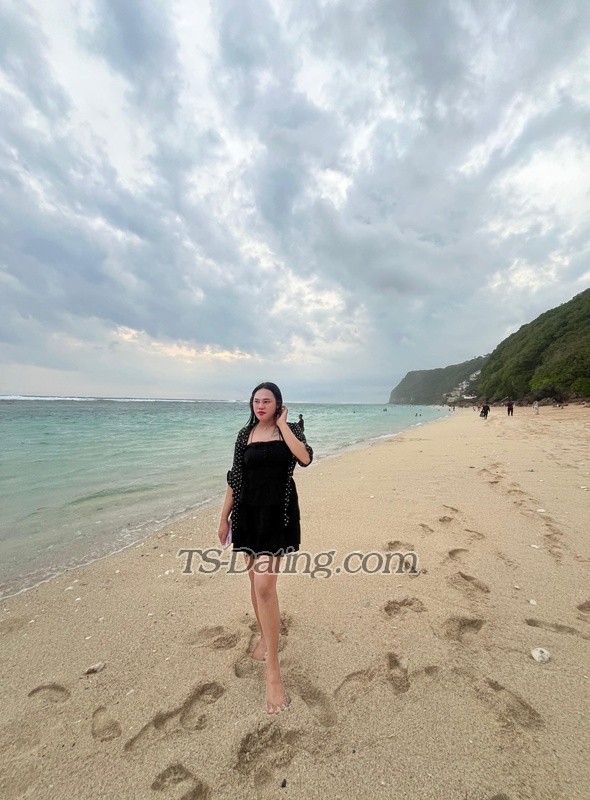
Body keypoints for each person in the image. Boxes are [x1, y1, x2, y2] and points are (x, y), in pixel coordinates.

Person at [218, 382, 313, 714]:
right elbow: (236, 478)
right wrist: (224, 517)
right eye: (256, 401)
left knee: (264, 586)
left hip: (277, 516)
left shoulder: (291, 430)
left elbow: (305, 458)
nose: (260, 406)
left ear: (278, 404)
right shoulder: (244, 435)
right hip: (247, 515)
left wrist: (284, 425)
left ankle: (273, 672)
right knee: (254, 584)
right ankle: (264, 635)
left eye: (267, 401)